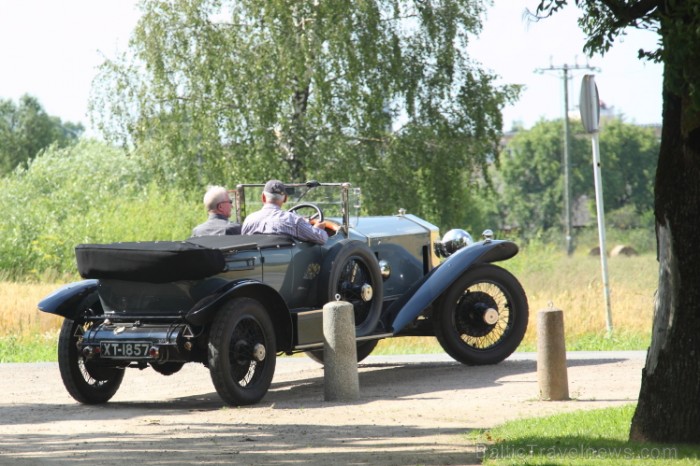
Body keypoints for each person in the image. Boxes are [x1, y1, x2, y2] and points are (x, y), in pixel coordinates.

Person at [241, 179, 328, 244]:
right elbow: (321, 238)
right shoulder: (292, 220)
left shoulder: (249, 220)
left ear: (263, 197)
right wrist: (317, 228)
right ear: (285, 198)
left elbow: (243, 243)